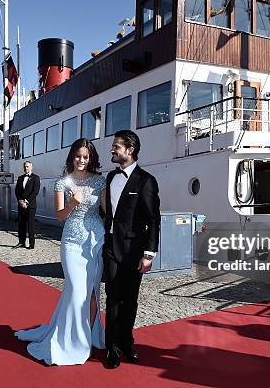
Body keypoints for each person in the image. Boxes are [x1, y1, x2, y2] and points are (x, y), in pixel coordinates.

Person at [15, 139, 106, 365]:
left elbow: (107, 211)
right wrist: (73, 203)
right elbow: (59, 216)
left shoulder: (100, 181)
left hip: (96, 241)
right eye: (78, 156)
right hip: (72, 242)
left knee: (93, 291)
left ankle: (88, 337)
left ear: (91, 158)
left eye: (86, 157)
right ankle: (71, 341)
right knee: (76, 289)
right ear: (72, 156)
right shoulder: (62, 183)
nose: (82, 160)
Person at [103, 130, 160, 369]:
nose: (112, 150)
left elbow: (154, 221)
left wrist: (148, 254)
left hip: (133, 251)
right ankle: (112, 349)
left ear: (130, 149)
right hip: (110, 247)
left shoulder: (146, 181)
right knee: (113, 298)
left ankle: (127, 342)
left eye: (116, 146)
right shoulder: (110, 177)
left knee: (130, 300)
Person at [13, 161, 40, 249]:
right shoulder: (20, 178)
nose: (26, 168)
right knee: (21, 225)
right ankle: (21, 242)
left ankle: (31, 244)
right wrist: (20, 201)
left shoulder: (36, 178)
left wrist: (26, 201)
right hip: (21, 205)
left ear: (31, 167)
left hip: (31, 206)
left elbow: (35, 192)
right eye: (25, 167)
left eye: (27, 167)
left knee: (30, 226)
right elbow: (17, 191)